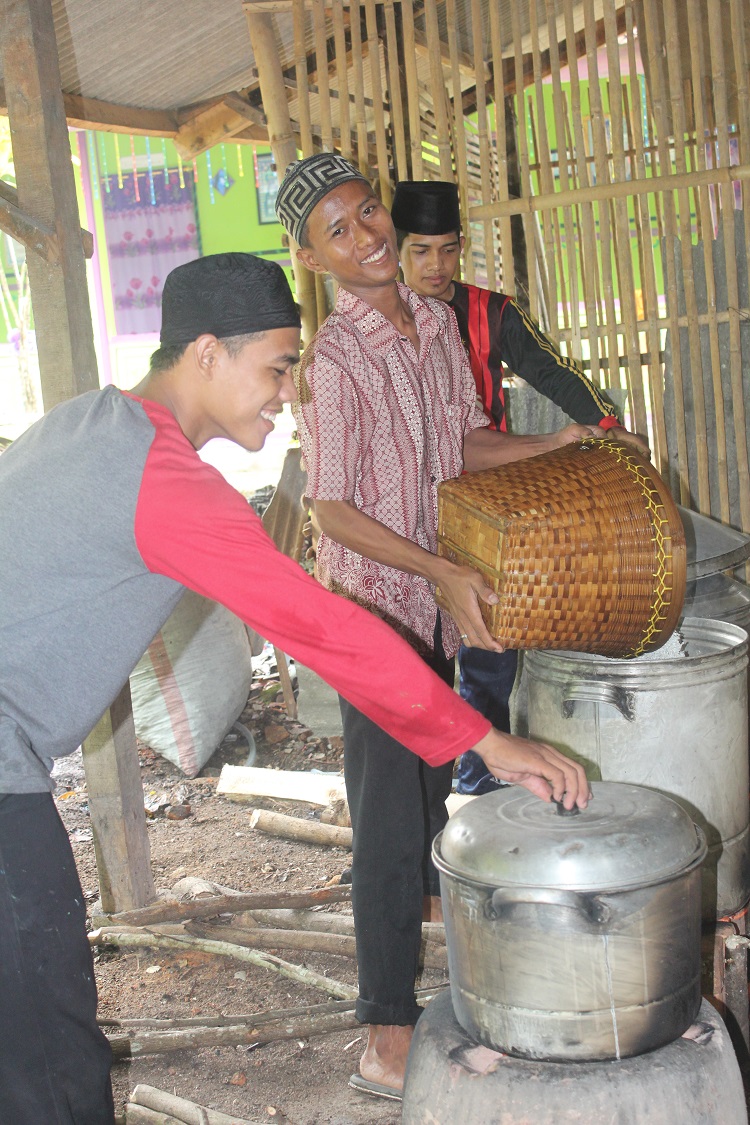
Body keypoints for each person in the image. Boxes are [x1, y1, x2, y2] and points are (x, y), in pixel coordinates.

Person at [0, 251, 589, 1125]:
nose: (288, 393)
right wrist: (486, 739)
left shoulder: (83, 422)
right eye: (277, 366)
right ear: (206, 353)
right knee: (48, 1066)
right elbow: (323, 626)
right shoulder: (165, 482)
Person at [275, 155, 595, 1099]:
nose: (368, 234)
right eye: (340, 229)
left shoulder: (438, 322)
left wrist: (553, 442)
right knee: (384, 812)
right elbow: (330, 509)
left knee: (420, 790)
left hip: (429, 594)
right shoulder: (334, 359)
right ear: (311, 256)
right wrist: (442, 570)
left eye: (368, 211)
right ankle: (382, 1030)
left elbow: (461, 442)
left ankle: (417, 940)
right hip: (374, 604)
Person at [391, 179, 650, 796]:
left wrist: (609, 428)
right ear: (398, 251)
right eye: (421, 251)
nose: (436, 266)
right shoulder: (382, 321)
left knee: (490, 635)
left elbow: (551, 372)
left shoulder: (490, 312)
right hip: (402, 500)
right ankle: (424, 789)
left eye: (448, 250)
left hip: (485, 497)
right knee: (415, 647)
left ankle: (481, 779)